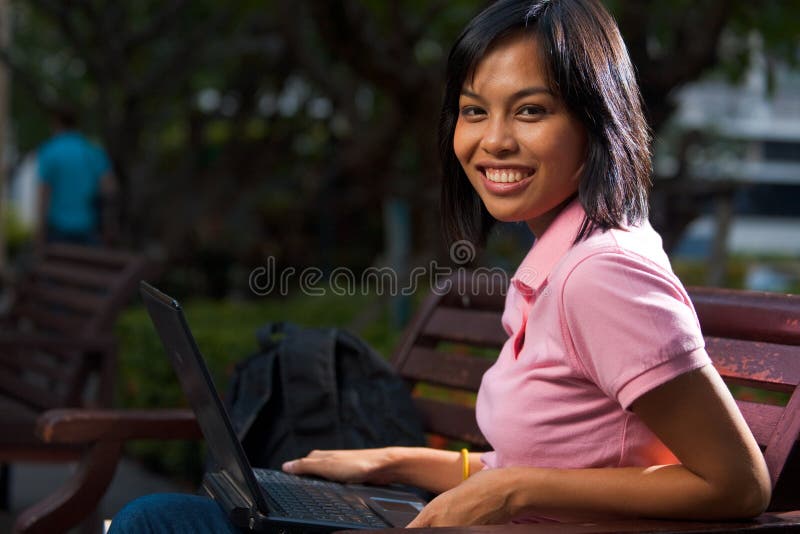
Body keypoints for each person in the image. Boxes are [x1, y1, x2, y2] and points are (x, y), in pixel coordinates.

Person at [108, 0, 770, 530]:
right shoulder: (557, 259)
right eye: (474, 111)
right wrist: (393, 461)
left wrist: (511, 492)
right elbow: (550, 460)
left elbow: (736, 483)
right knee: (164, 518)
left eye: (531, 110)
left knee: (152, 521)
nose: (493, 140)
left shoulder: (604, 274)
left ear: (596, 122)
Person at [36, 105, 118, 247]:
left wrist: (40, 233)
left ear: (56, 122)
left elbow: (44, 195)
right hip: (89, 228)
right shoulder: (92, 150)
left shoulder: (50, 151)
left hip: (58, 229)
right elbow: (110, 189)